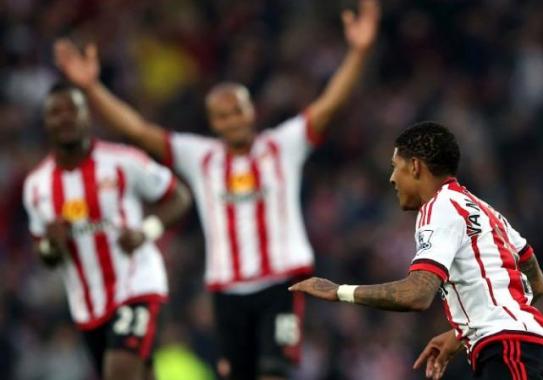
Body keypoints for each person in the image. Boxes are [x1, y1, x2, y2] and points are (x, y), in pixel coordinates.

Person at [53, 1, 380, 378]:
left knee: (273, 372)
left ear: (250, 111)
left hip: (282, 283)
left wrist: (359, 51)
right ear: (213, 122)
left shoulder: (281, 145)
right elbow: (138, 131)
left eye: (237, 111)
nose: (232, 120)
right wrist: (92, 88)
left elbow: (329, 104)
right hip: (226, 288)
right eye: (223, 115)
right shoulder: (200, 157)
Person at [289, 122, 543, 380]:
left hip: (507, 350)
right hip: (532, 348)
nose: (392, 178)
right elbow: (537, 283)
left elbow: (417, 295)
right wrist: (460, 334)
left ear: (415, 166)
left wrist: (339, 291)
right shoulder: (485, 210)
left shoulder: (438, 207)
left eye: (396, 167)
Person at [23, 82, 192, 380]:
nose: (65, 118)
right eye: (55, 112)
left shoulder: (122, 161)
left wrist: (146, 230)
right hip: (87, 305)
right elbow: (46, 255)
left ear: (87, 116)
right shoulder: (37, 186)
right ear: (45, 122)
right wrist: (53, 245)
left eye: (72, 109)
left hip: (136, 284)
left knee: (120, 373)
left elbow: (179, 196)